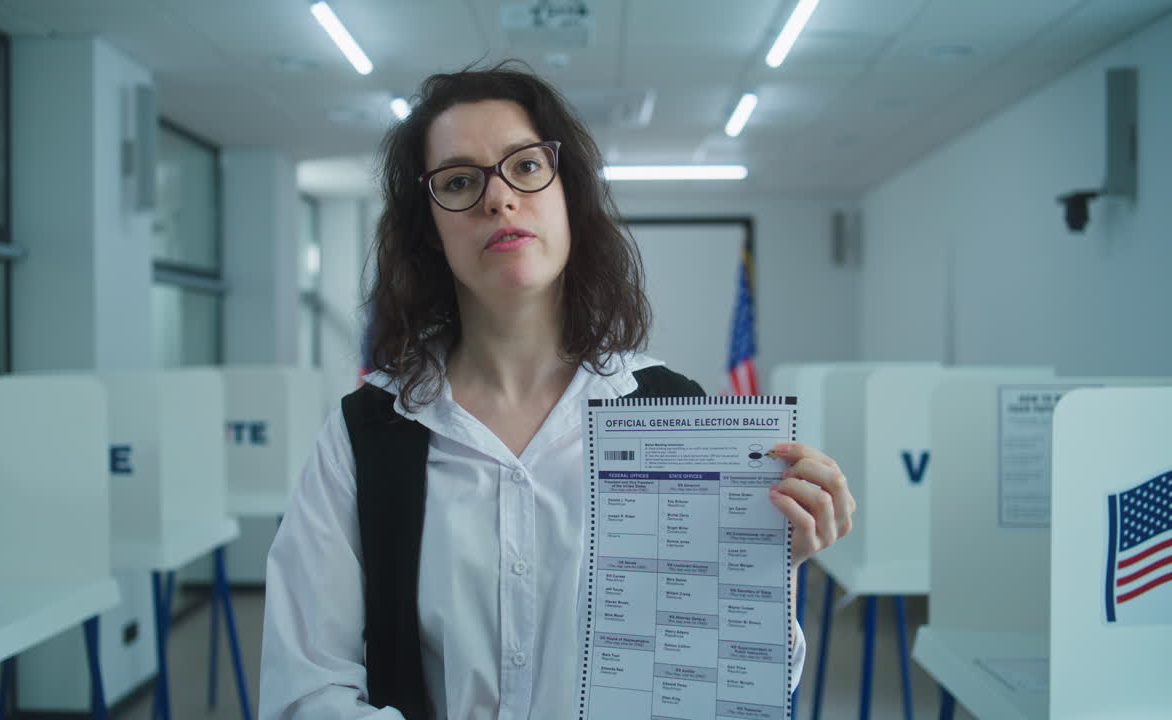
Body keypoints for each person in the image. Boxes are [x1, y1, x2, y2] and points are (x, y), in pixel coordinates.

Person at [259, 61, 856, 719]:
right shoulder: (364, 431)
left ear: (566, 193)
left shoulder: (670, 409)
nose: (499, 198)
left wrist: (767, 571)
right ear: (429, 229)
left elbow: (714, 689)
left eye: (525, 166)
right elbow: (306, 690)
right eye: (460, 181)